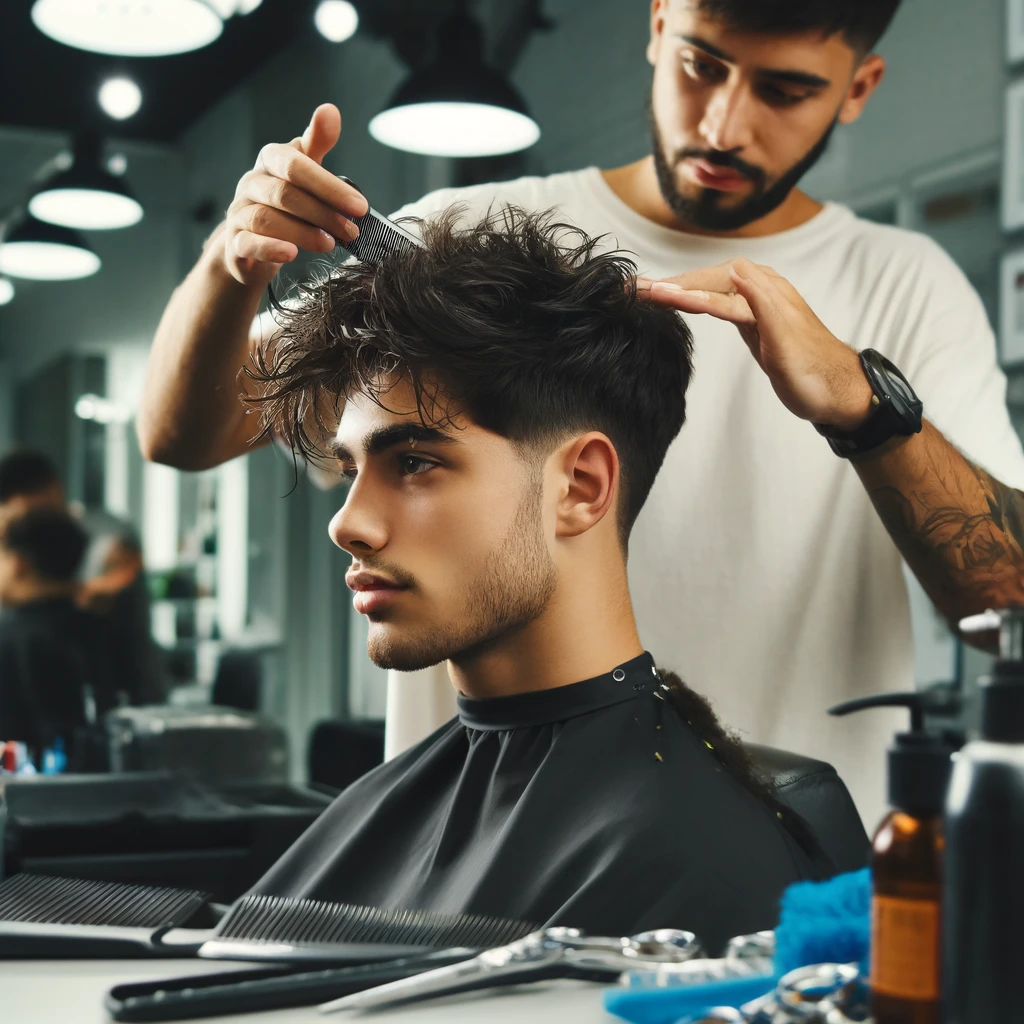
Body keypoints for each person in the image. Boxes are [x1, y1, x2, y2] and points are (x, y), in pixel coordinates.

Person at [137, 0, 1024, 823]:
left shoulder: (906, 286)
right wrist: (233, 262)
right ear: (657, 22)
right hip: (480, 865)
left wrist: (867, 407)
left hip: (790, 884)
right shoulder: (467, 232)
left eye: (785, 89)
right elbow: (184, 434)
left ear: (859, 87)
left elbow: (1008, 601)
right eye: (701, 65)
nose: (723, 124)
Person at [245, 208, 829, 951]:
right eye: (352, 468)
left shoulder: (699, 871)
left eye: (415, 463)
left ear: (581, 487)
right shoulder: (380, 805)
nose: (347, 523)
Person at [0, 449, 166, 706]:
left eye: (17, 509)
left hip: (119, 683)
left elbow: (111, 585)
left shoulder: (106, 535)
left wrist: (58, 590)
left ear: (52, 490)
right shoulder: (20, 538)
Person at [0, 507, 115, 761]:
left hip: (21, 791)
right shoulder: (98, 627)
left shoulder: (11, 638)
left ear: (18, 564)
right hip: (98, 784)